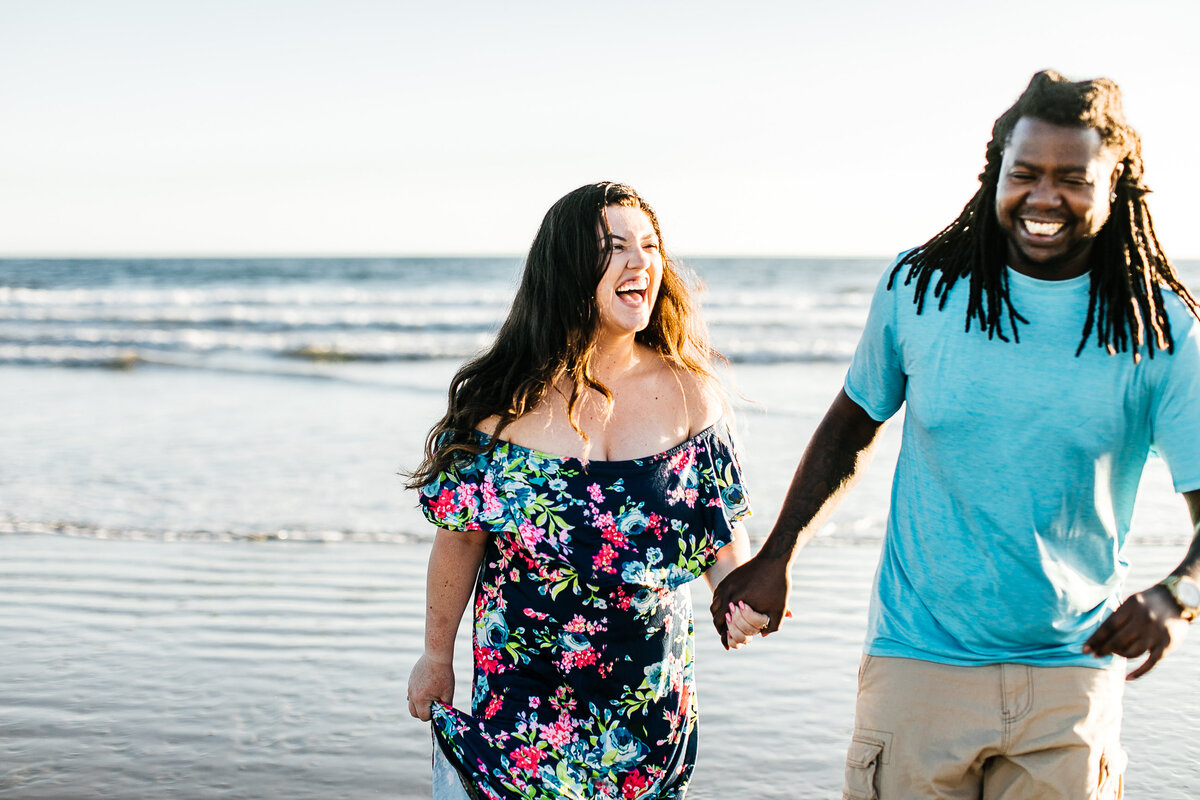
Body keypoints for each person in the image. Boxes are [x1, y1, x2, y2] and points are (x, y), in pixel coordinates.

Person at [711, 70, 1200, 799]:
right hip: (917, 664)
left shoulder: (1157, 329)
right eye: (1026, 173)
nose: (1044, 197)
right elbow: (851, 425)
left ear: (1115, 184)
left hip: (1071, 674)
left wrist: (1175, 597)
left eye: (1072, 178)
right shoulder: (921, 289)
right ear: (995, 171)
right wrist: (778, 555)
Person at [405, 181, 768, 800]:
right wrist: (435, 655)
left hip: (647, 715)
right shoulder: (500, 404)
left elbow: (719, 535)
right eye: (615, 246)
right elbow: (459, 541)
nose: (640, 262)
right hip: (520, 715)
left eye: (650, 246)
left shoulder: (690, 394)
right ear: (568, 267)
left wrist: (741, 597)